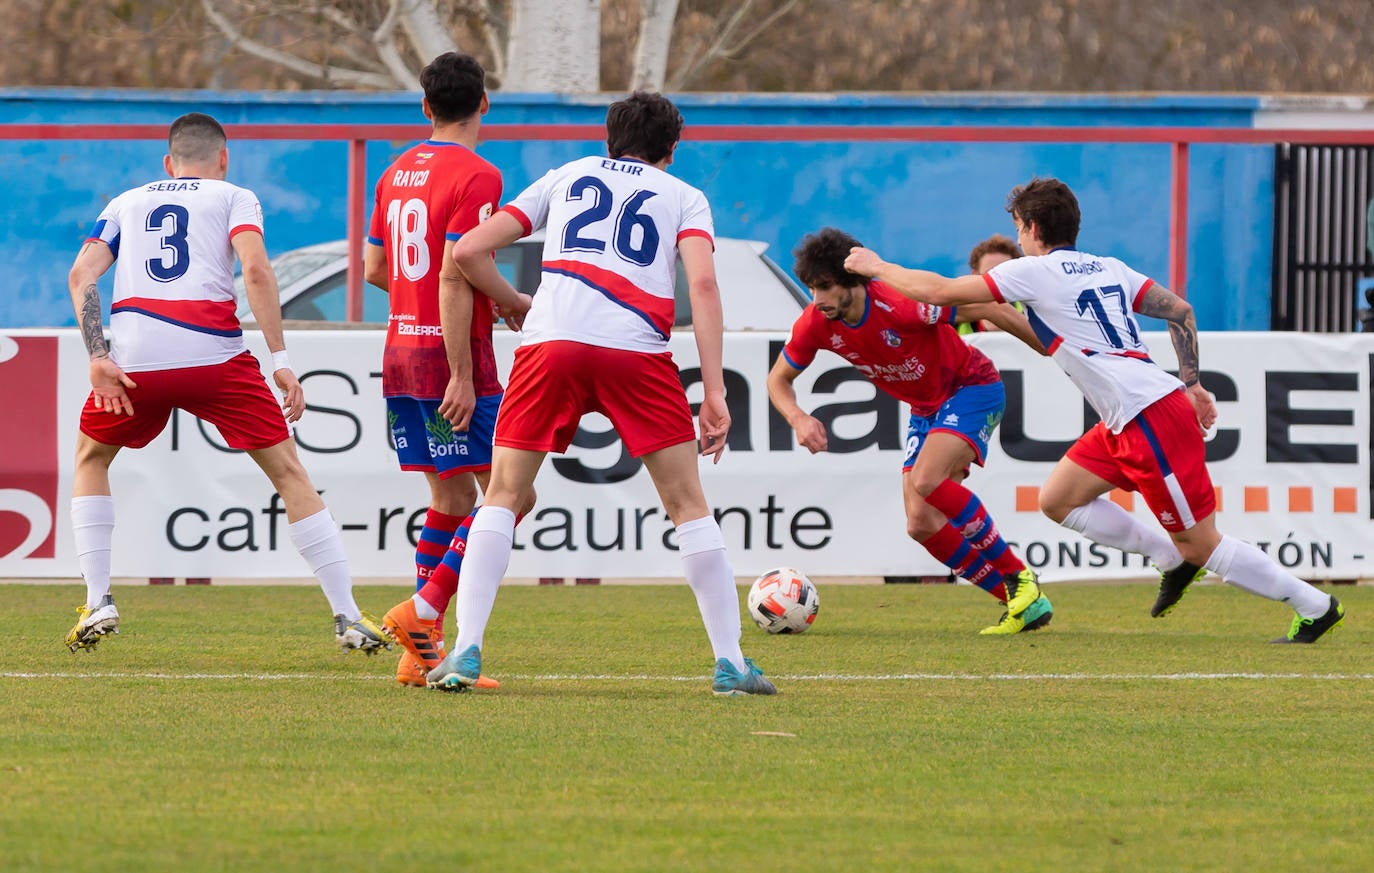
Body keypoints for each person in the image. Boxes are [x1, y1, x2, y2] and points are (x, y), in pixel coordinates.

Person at [844, 176, 1345, 643]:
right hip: (1130, 416)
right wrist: (1191, 382)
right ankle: (1165, 555)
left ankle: (1315, 605)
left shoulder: (1036, 271)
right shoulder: (1110, 266)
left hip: (1150, 416)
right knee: (1058, 498)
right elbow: (1180, 311)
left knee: (1203, 544)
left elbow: (937, 292)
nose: (1018, 239)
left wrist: (877, 268)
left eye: (1019, 228)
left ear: (1034, 228)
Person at [428, 90, 777, 695]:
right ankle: (730, 665)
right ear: (672, 147)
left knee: (504, 495)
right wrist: (714, 390)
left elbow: (467, 250)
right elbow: (703, 285)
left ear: (608, 139)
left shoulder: (566, 176)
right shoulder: (684, 197)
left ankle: (464, 652)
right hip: (635, 353)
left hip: (550, 344)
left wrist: (512, 302)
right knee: (689, 507)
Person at [63, 112, 391, 655]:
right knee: (289, 472)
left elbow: (81, 275)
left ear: (167, 162)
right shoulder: (235, 196)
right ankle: (347, 616)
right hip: (214, 355)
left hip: (136, 362)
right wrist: (281, 358)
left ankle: (98, 600)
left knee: (91, 459)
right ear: (224, 157)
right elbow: (257, 270)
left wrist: (98, 355)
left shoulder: (124, 202)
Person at [767, 227, 1051, 635]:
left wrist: (1045, 343)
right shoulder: (816, 322)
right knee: (920, 523)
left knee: (927, 480)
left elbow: (982, 305)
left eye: (826, 288)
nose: (818, 299)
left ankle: (1018, 576)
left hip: (972, 387)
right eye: (812, 288)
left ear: (853, 282)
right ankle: (1021, 603)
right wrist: (798, 417)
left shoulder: (901, 305)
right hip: (926, 408)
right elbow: (777, 380)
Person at [361, 52, 534, 689]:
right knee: (513, 494)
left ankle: (420, 655)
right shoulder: (480, 175)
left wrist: (414, 307)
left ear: (426, 107)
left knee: (450, 497)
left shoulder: (396, 169)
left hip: (401, 353)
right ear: (484, 103)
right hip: (455, 360)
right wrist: (505, 312)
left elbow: (377, 269)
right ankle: (424, 611)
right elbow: (460, 265)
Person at [958, 234, 1022, 334]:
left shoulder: (1032, 315)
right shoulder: (955, 321)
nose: (997, 283)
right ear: (974, 275)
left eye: (1005, 275)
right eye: (989, 275)